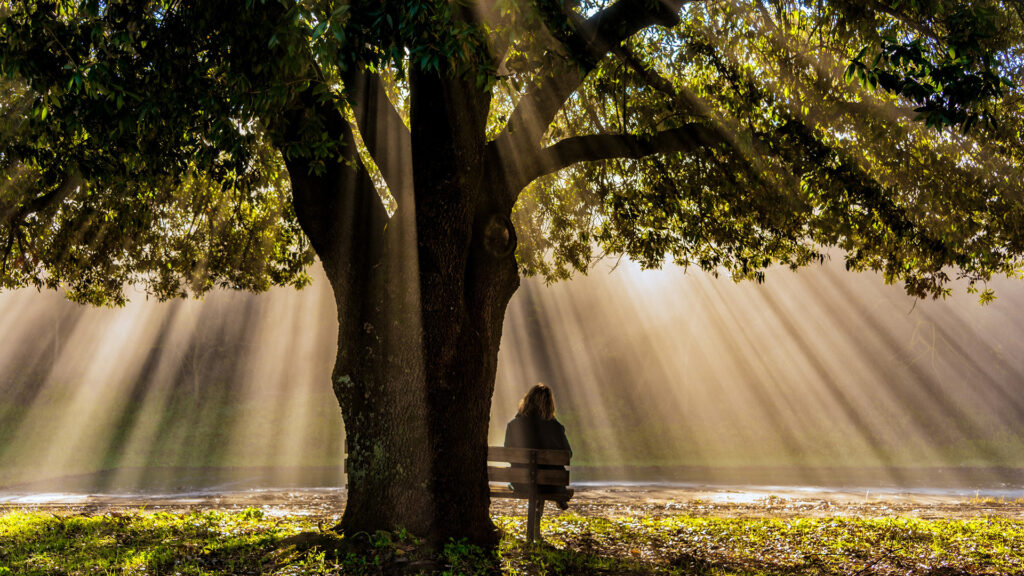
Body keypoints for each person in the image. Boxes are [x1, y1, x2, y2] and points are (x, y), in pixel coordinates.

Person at [504, 383, 572, 511]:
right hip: (551, 485)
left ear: (527, 401)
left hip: (521, 483)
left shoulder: (513, 425)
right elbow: (568, 454)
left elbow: (507, 454)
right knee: (545, 475)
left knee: (535, 474)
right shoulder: (556, 427)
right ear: (550, 404)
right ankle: (557, 498)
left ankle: (537, 511)